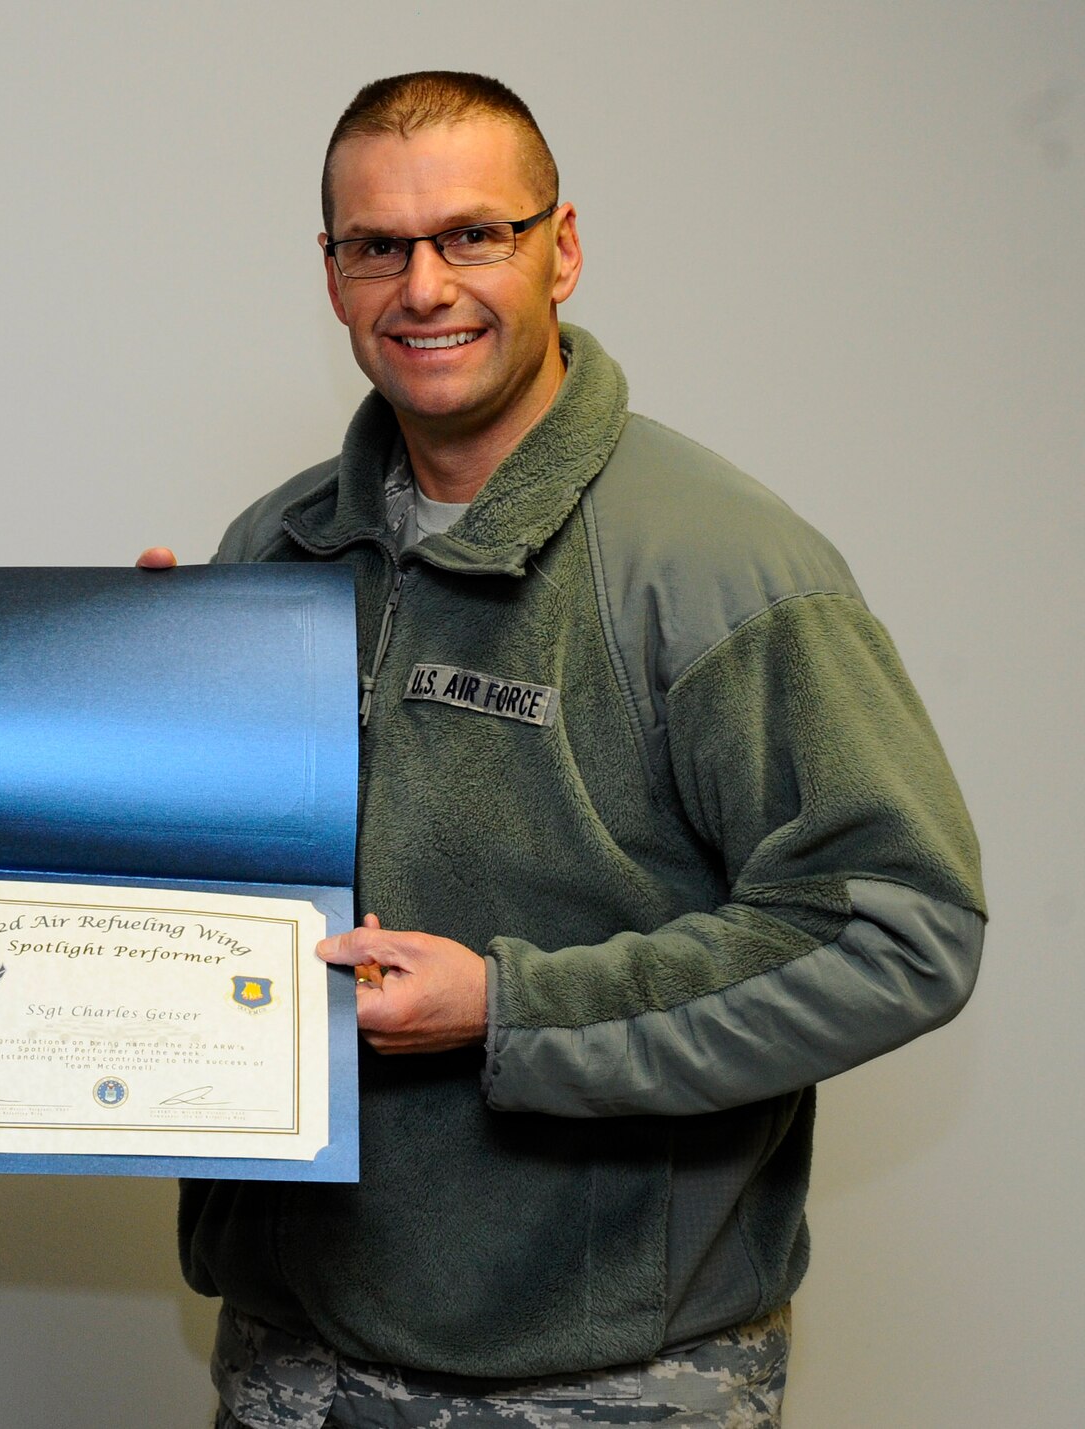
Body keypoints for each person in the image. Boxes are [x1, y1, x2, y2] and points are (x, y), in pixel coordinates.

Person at [157, 72, 986, 1427]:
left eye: (473, 234)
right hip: (299, 1355)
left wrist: (511, 1007)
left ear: (565, 248)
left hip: (611, 1380)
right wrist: (123, 725)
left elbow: (901, 927)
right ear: (332, 275)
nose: (425, 284)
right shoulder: (275, 549)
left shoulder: (720, 566)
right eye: (379, 246)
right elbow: (223, 907)